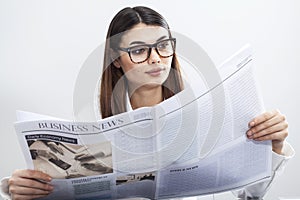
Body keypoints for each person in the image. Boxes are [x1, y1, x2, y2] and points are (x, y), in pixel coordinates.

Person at [1, 6, 294, 200]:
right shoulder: (90, 128)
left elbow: (248, 197)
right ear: (117, 59)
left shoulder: (210, 113)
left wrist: (274, 147)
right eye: (139, 50)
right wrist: (20, 188)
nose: (155, 58)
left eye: (163, 45)